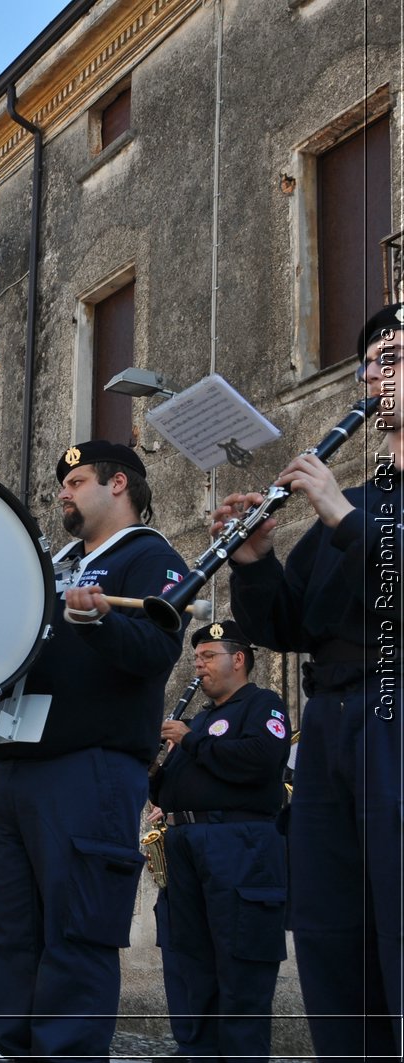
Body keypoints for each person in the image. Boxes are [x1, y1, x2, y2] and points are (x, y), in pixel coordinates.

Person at [220, 303, 403, 1061]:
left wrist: (338, 514)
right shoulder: (354, 504)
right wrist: (254, 558)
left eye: (393, 355)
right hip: (331, 727)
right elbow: (288, 628)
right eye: (369, 360)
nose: (373, 373)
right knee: (331, 929)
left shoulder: (346, 511)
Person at [0, 440, 187, 1060]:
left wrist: (100, 623)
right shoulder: (52, 562)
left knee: (76, 933)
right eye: (62, 482)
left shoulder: (149, 556)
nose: (63, 491)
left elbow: (155, 651)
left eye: (77, 480)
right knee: (7, 934)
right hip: (14, 767)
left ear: (119, 484)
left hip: (87, 769)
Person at [149, 620, 290, 1063]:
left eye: (209, 656)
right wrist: (157, 771)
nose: (199, 665)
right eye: (196, 658)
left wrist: (189, 741)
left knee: (240, 958)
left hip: (238, 841)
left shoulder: (262, 704)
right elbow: (168, 786)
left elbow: (259, 760)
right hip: (186, 842)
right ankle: (196, 1051)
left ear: (239, 659)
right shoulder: (202, 717)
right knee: (190, 957)